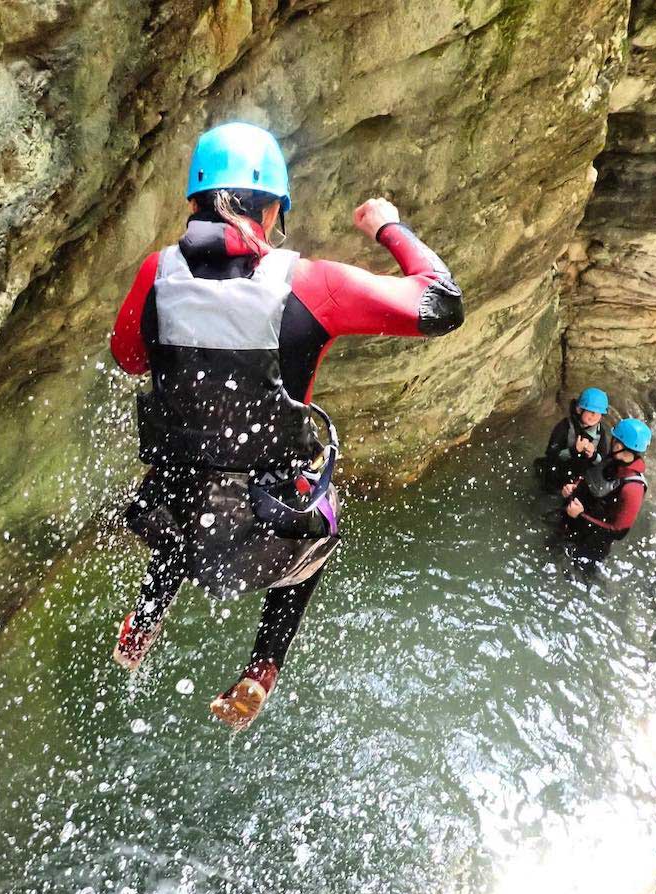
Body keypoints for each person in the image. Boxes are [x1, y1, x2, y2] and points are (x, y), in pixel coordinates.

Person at [109, 121, 464, 730]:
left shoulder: (156, 273)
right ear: (272, 211)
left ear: (195, 202)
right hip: (269, 509)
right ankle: (261, 668)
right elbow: (441, 303)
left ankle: (141, 626)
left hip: (179, 496)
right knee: (316, 525)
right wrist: (387, 225)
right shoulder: (312, 284)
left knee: (182, 502)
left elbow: (129, 358)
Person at [561, 417, 651, 562]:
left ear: (619, 445)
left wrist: (580, 516)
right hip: (574, 521)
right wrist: (574, 487)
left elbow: (618, 532)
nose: (611, 441)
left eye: (614, 439)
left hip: (591, 545)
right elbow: (592, 477)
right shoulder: (611, 460)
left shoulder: (633, 489)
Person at [534, 387, 611, 493]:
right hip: (559, 471)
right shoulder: (564, 427)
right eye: (591, 411)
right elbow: (551, 455)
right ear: (579, 409)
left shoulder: (600, 433)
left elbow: (602, 460)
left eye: (598, 413)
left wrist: (593, 455)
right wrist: (573, 450)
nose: (594, 416)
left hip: (577, 476)